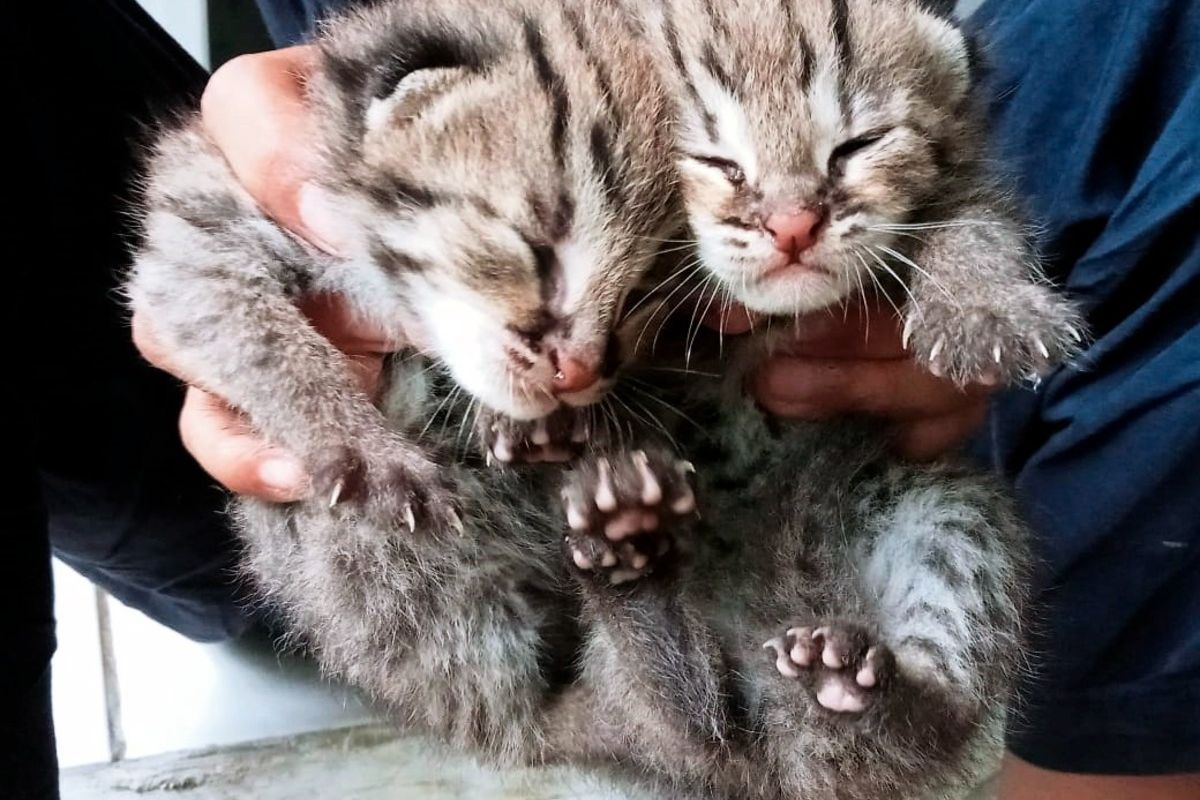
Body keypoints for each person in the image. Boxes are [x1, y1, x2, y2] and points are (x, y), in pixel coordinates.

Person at [3, 1, 1196, 799]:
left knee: (918, 592)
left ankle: (766, 678)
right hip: (537, 563)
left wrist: (967, 279)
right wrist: (330, 409)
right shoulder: (486, 105)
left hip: (774, 540)